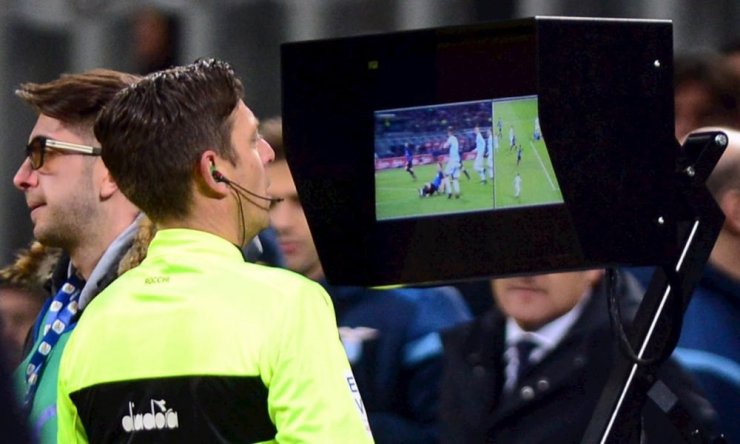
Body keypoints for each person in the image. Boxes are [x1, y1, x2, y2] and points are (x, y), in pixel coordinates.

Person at [56, 59, 372, 443]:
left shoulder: (89, 327)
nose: (267, 154)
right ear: (213, 171)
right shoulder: (289, 305)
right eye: (252, 140)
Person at [265, 117, 471, 443]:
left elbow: (453, 435)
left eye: (300, 202)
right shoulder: (254, 306)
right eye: (271, 203)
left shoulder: (421, 309)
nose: (281, 223)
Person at [10, 69, 143, 443]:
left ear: (111, 171)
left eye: (42, 154)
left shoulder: (159, 305)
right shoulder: (57, 311)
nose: (21, 177)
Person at [440, 269, 721, 444]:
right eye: (513, 252)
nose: (527, 273)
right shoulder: (464, 347)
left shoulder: (638, 359)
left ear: (595, 266)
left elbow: (693, 434)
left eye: (552, 252)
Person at [443, 126, 462, 198]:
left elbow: (445, 146)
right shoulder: (456, 139)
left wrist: (444, 144)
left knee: (445, 175)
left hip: (453, 160)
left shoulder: (451, 138)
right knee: (455, 177)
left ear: (449, 132)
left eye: (448, 131)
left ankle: (449, 192)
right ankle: (457, 192)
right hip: (457, 160)